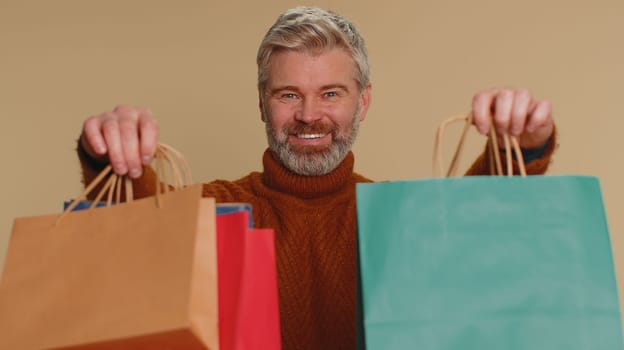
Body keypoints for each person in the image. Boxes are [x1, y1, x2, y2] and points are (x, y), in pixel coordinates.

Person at [77, 6, 556, 350]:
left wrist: (521, 143)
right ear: (262, 101)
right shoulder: (215, 208)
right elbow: (140, 227)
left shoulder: (396, 220)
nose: (309, 116)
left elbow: (473, 218)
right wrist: (114, 155)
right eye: (288, 94)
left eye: (330, 93)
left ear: (362, 101)